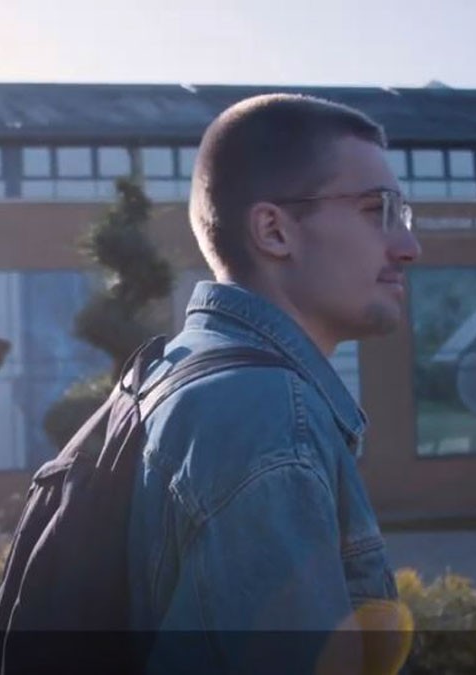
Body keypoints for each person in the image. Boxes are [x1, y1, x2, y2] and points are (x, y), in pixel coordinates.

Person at [127, 94, 421, 673]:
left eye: (403, 216)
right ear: (274, 231)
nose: (409, 246)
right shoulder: (265, 415)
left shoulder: (182, 371)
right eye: (374, 209)